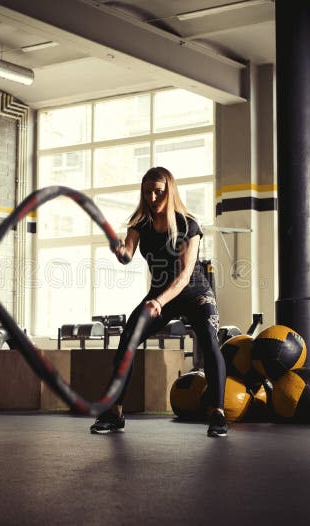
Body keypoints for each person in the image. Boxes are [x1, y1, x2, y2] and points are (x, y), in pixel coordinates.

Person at [90, 167, 228, 437]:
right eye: (147, 192)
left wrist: (159, 302)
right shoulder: (140, 223)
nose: (152, 197)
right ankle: (114, 411)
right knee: (128, 337)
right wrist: (119, 250)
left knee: (210, 342)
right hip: (159, 296)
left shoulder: (189, 224)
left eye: (158, 191)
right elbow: (127, 255)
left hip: (194, 293)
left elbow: (185, 275)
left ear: (170, 190)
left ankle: (218, 413)